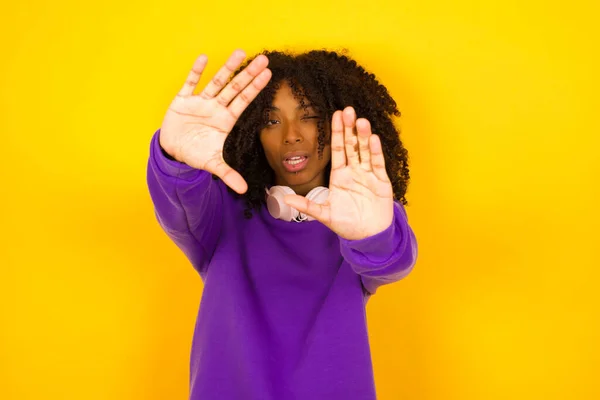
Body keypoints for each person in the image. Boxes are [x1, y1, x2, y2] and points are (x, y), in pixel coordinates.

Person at [146, 49, 418, 400]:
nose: (291, 134)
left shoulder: (357, 224)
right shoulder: (220, 216)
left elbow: (393, 260)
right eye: (272, 121)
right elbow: (177, 201)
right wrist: (176, 158)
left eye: (309, 116)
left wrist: (374, 235)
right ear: (252, 133)